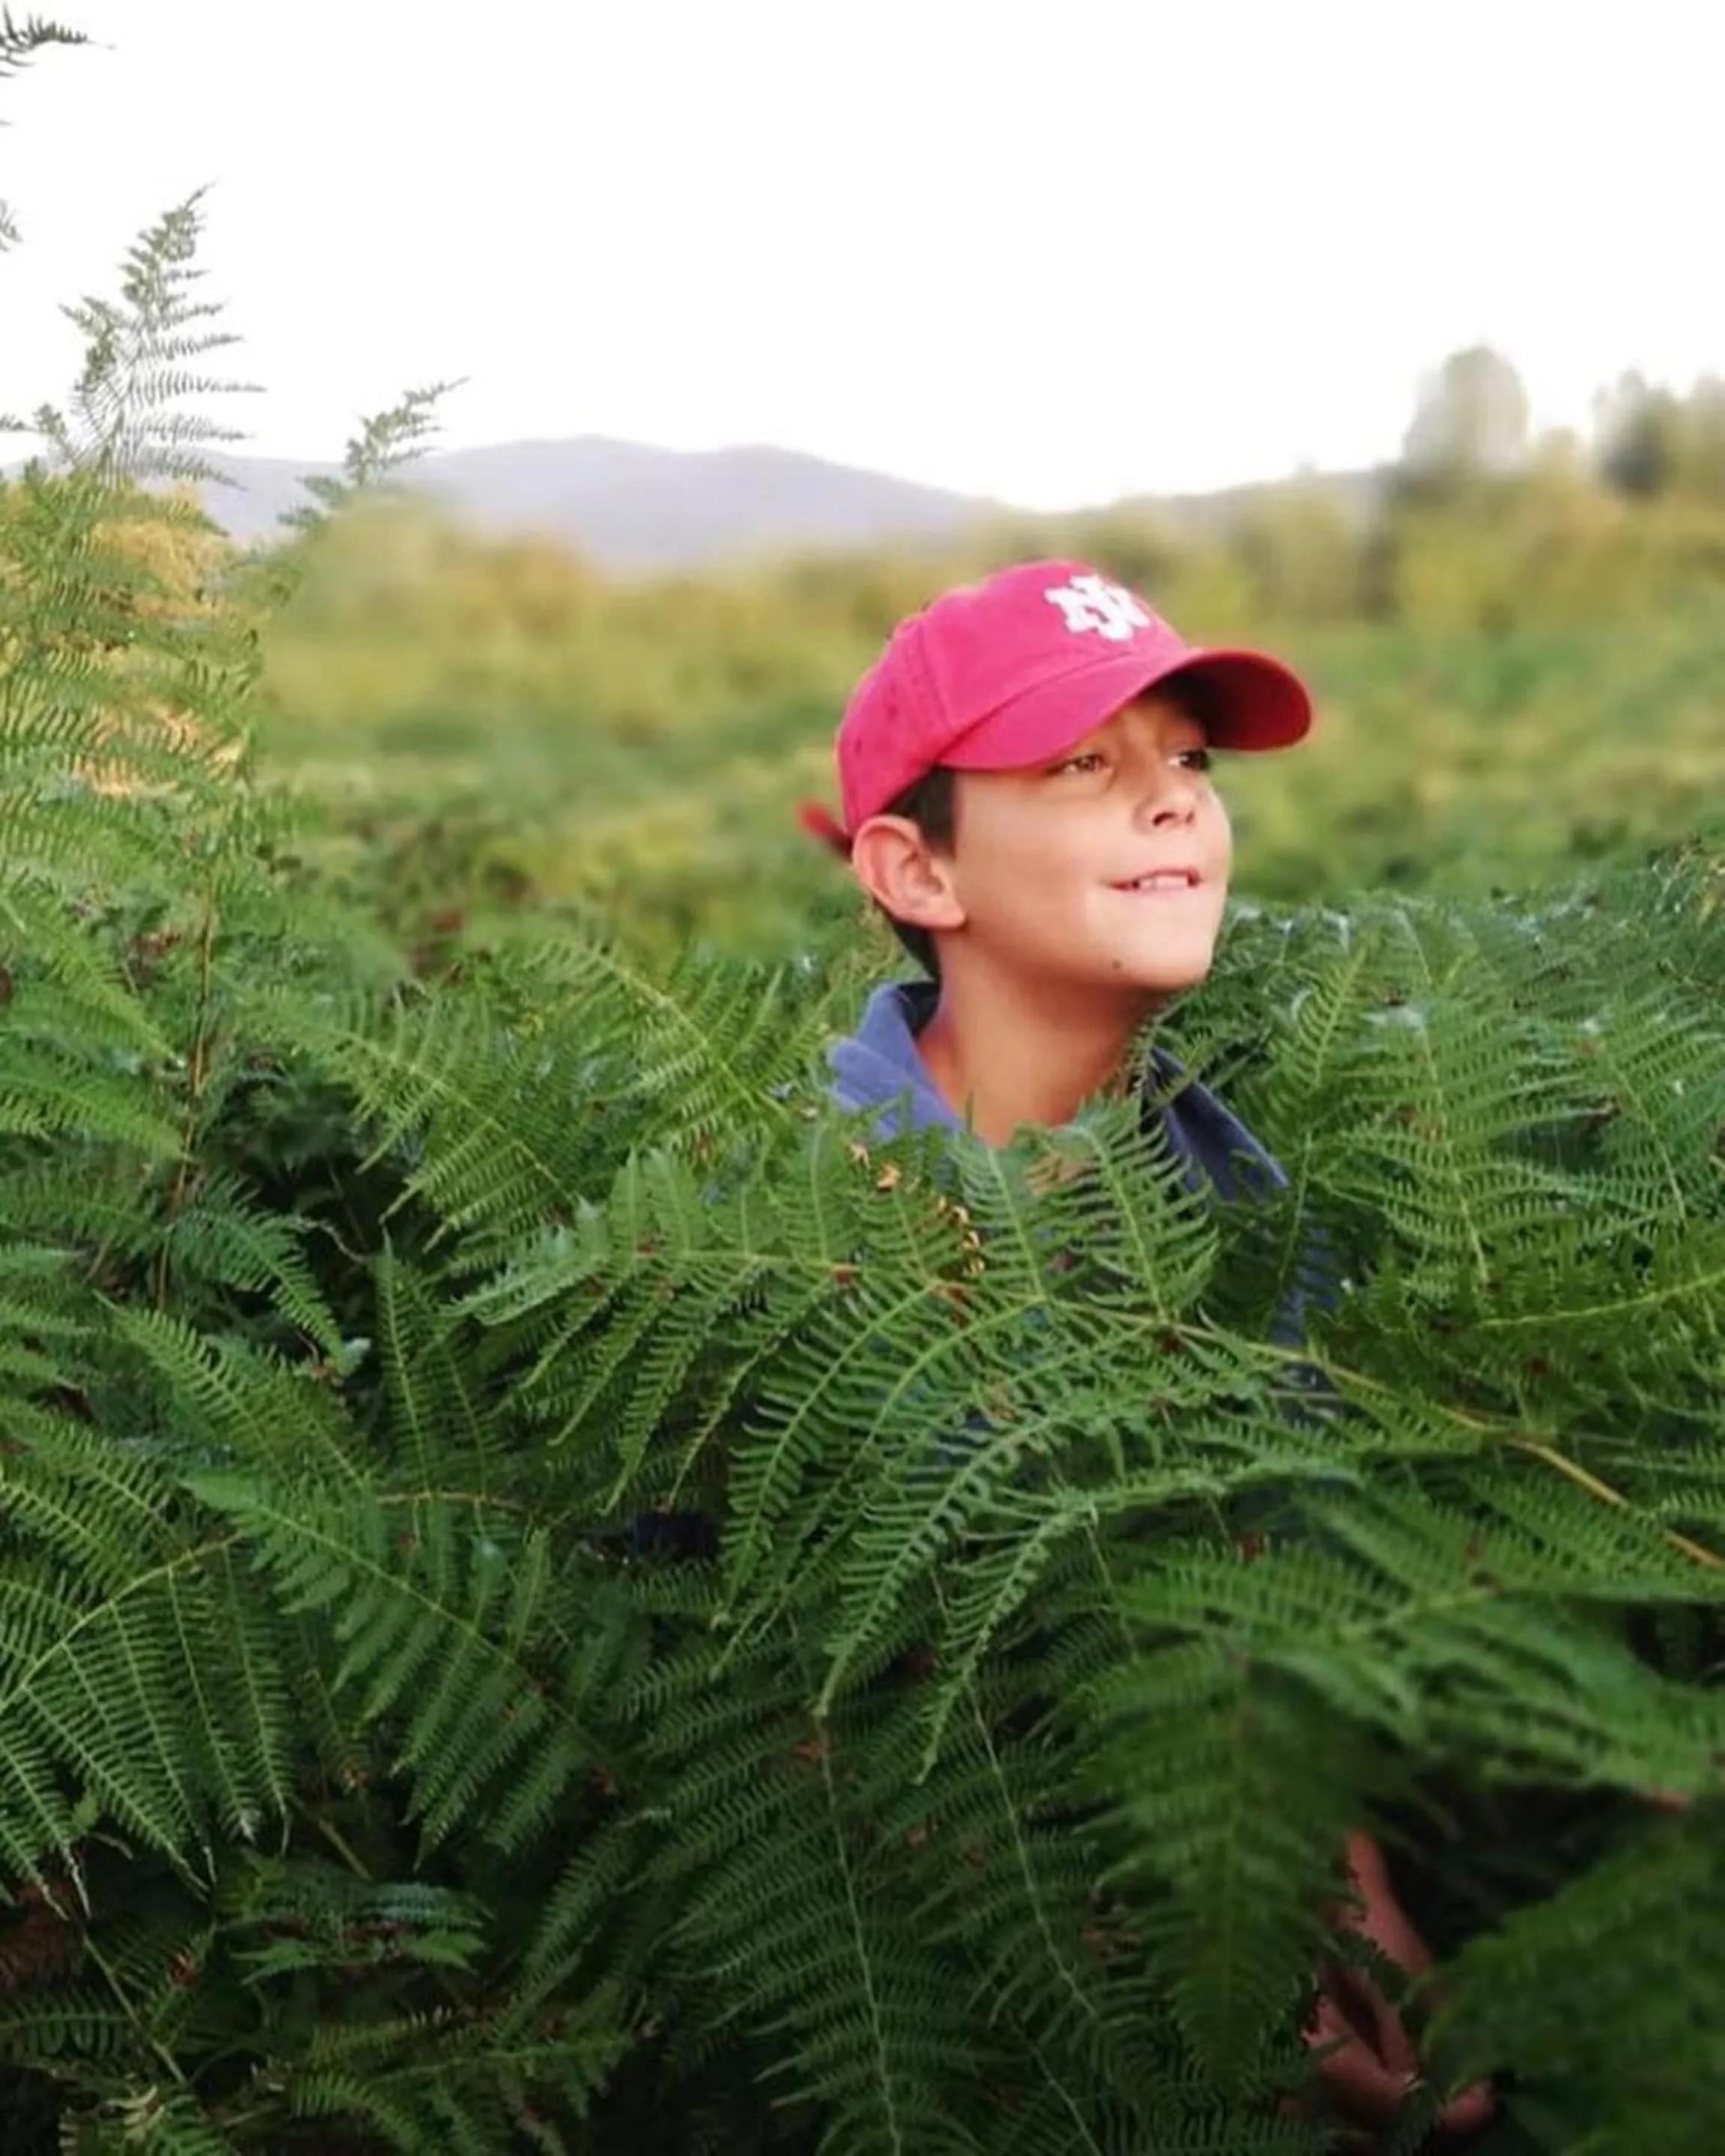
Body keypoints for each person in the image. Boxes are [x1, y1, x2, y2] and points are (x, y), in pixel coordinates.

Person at [800, 558, 1494, 2137]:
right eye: (1082, 765)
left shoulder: (1243, 1203)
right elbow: (772, 1727)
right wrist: (1159, 1965)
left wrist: (1352, 1907)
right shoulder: (789, 1241)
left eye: (1188, 760)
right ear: (916, 869)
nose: (1174, 804)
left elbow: (1269, 1571)